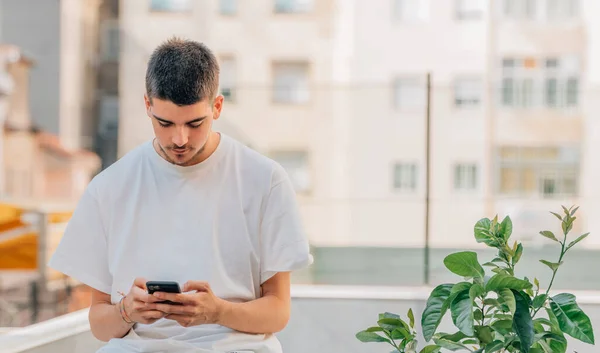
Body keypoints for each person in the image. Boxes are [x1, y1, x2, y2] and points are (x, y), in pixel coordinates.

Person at [48, 37, 313, 353]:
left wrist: (217, 312)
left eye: (195, 123)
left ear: (217, 106)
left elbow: (278, 313)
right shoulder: (109, 188)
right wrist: (126, 312)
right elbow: (99, 324)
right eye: (164, 123)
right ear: (147, 105)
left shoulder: (265, 180)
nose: (179, 139)